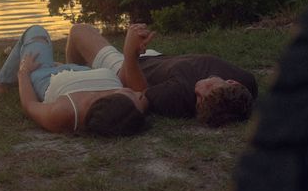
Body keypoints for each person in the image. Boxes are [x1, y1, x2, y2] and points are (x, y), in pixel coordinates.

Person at [66, 23, 258, 127]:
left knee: (79, 31)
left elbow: (137, 92)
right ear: (232, 82)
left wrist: (130, 53)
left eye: (198, 99)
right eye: (208, 87)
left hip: (128, 67)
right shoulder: (246, 83)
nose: (198, 89)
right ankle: (83, 71)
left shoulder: (177, 96)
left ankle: (74, 74)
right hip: (158, 59)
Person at [0, 23, 153, 136]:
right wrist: (133, 51)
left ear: (117, 103)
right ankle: (57, 64)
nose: (140, 96)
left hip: (46, 75)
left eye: (135, 97)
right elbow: (140, 90)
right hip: (84, 70)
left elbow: (30, 106)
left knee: (36, 33)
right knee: (81, 28)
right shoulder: (131, 108)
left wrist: (23, 73)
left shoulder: (66, 111)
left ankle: (2, 83)